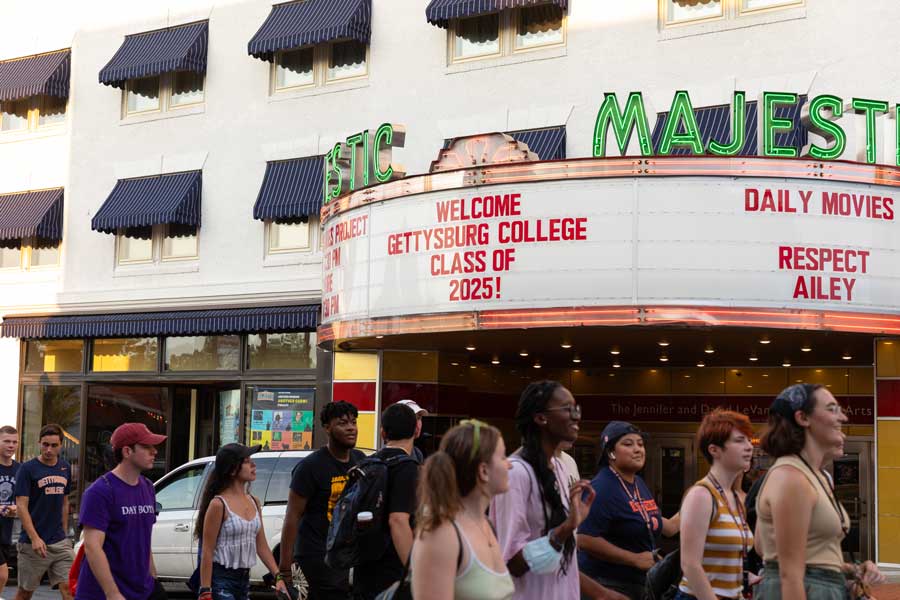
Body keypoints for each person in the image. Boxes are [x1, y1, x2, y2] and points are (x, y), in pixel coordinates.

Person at [489, 381, 623, 600]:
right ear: (541, 418)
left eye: (577, 409)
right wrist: (566, 527)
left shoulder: (561, 467)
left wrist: (603, 594)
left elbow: (564, 564)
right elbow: (512, 563)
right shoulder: (516, 474)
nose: (576, 416)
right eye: (567, 409)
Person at [754, 384, 885, 600]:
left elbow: (765, 545)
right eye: (832, 409)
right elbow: (790, 576)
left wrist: (852, 570)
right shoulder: (791, 477)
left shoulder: (809, 475)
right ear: (803, 418)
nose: (842, 417)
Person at [411, 419, 514, 600]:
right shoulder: (442, 533)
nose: (510, 464)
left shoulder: (486, 524)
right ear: (483, 471)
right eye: (504, 457)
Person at [577, 421, 679, 600]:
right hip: (606, 586)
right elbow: (584, 539)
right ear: (610, 452)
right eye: (628, 444)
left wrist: (700, 497)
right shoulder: (601, 487)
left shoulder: (637, 483)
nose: (638, 449)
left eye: (640, 444)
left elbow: (668, 527)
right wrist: (634, 559)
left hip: (638, 584)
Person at [280, 401, 365, 600]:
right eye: (343, 423)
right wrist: (284, 570)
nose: (351, 427)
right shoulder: (310, 467)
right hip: (315, 554)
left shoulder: (360, 460)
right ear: (327, 428)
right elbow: (292, 517)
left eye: (353, 422)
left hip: (344, 552)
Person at [75, 423, 168, 600]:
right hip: (102, 594)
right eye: (146, 447)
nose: (154, 451)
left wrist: (153, 579)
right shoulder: (100, 491)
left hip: (142, 590)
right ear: (127, 451)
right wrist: (112, 593)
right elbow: (93, 547)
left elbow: (143, 539)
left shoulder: (148, 487)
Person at [677, 410, 754, 600]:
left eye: (748, 440)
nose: (749, 447)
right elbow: (690, 564)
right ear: (714, 450)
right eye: (739, 440)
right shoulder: (701, 495)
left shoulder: (735, 497)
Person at [195, 443, 288, 600]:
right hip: (221, 581)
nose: (253, 464)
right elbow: (207, 552)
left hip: (244, 580)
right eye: (246, 461)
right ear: (232, 469)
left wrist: (278, 576)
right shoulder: (218, 504)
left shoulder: (254, 501)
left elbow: (262, 545)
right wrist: (205, 591)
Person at [353, 403, 419, 599]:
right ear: (416, 430)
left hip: (364, 567)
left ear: (382, 432)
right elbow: (398, 520)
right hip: (392, 572)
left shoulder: (368, 463)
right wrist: (414, 571)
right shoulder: (407, 468)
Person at [14, 424, 74, 600]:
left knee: (70, 589)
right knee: (25, 594)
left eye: (54, 445)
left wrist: (64, 533)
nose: (49, 449)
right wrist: (34, 538)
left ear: (61, 445)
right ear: (39, 443)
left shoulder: (65, 467)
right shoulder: (27, 469)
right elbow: (21, 506)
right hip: (32, 544)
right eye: (45, 444)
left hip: (59, 542)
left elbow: (64, 502)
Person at [0, 425, 20, 594]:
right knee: (2, 575)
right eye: (7, 441)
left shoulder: (20, 469)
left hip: (6, 531)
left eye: (14, 442)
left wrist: (16, 509)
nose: (11, 445)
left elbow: (25, 501)